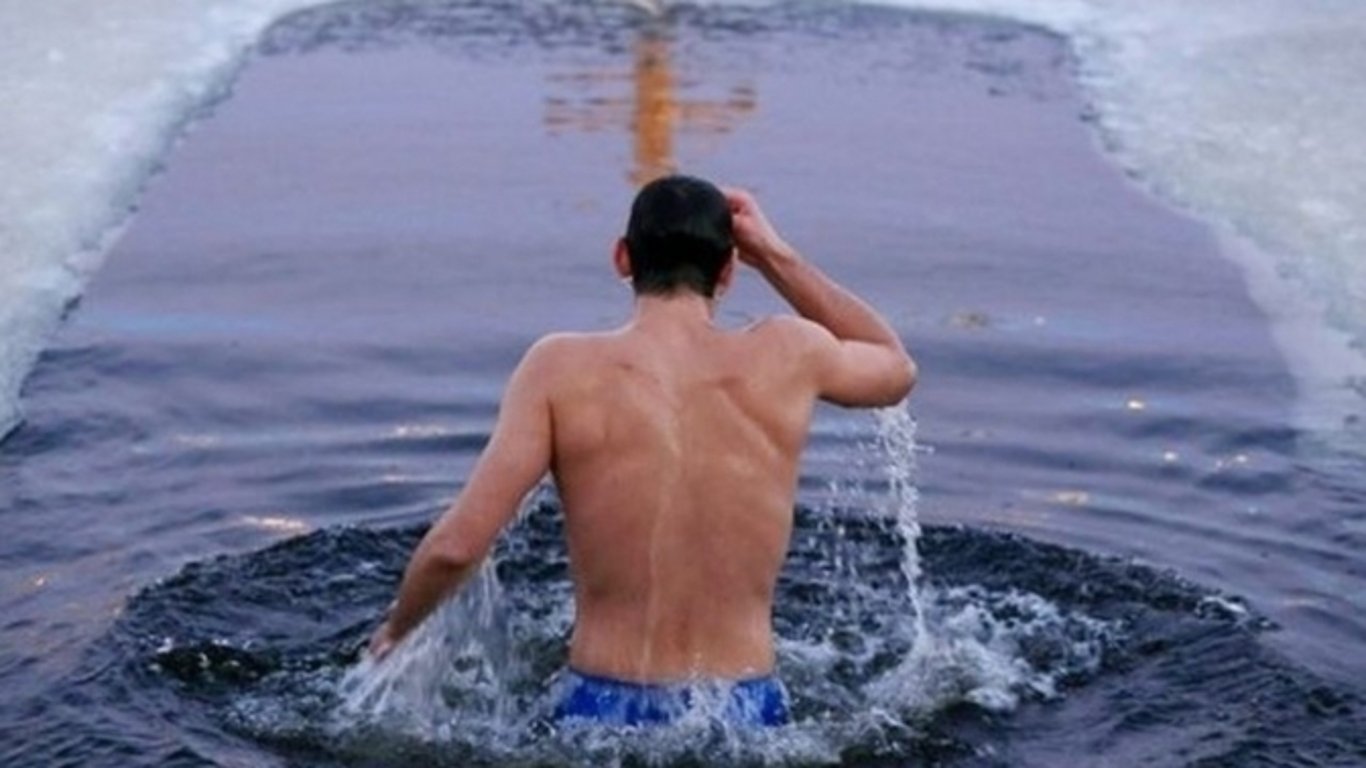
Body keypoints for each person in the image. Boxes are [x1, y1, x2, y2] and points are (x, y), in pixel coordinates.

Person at [367, 175, 916, 727]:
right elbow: (895, 367)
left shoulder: (559, 369)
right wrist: (776, 257)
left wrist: (394, 633)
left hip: (597, 713)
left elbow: (456, 548)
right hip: (747, 713)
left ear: (622, 258)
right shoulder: (791, 352)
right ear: (728, 271)